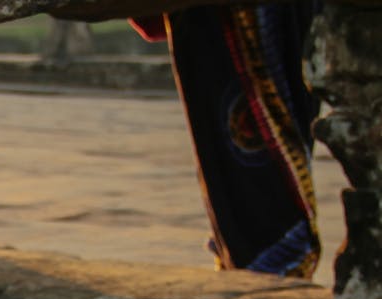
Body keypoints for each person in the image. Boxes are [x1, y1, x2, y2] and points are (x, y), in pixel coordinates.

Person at [132, 2, 322, 277]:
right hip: (223, 33)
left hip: (245, 31)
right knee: (246, 171)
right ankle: (264, 265)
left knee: (263, 170)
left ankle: (268, 266)